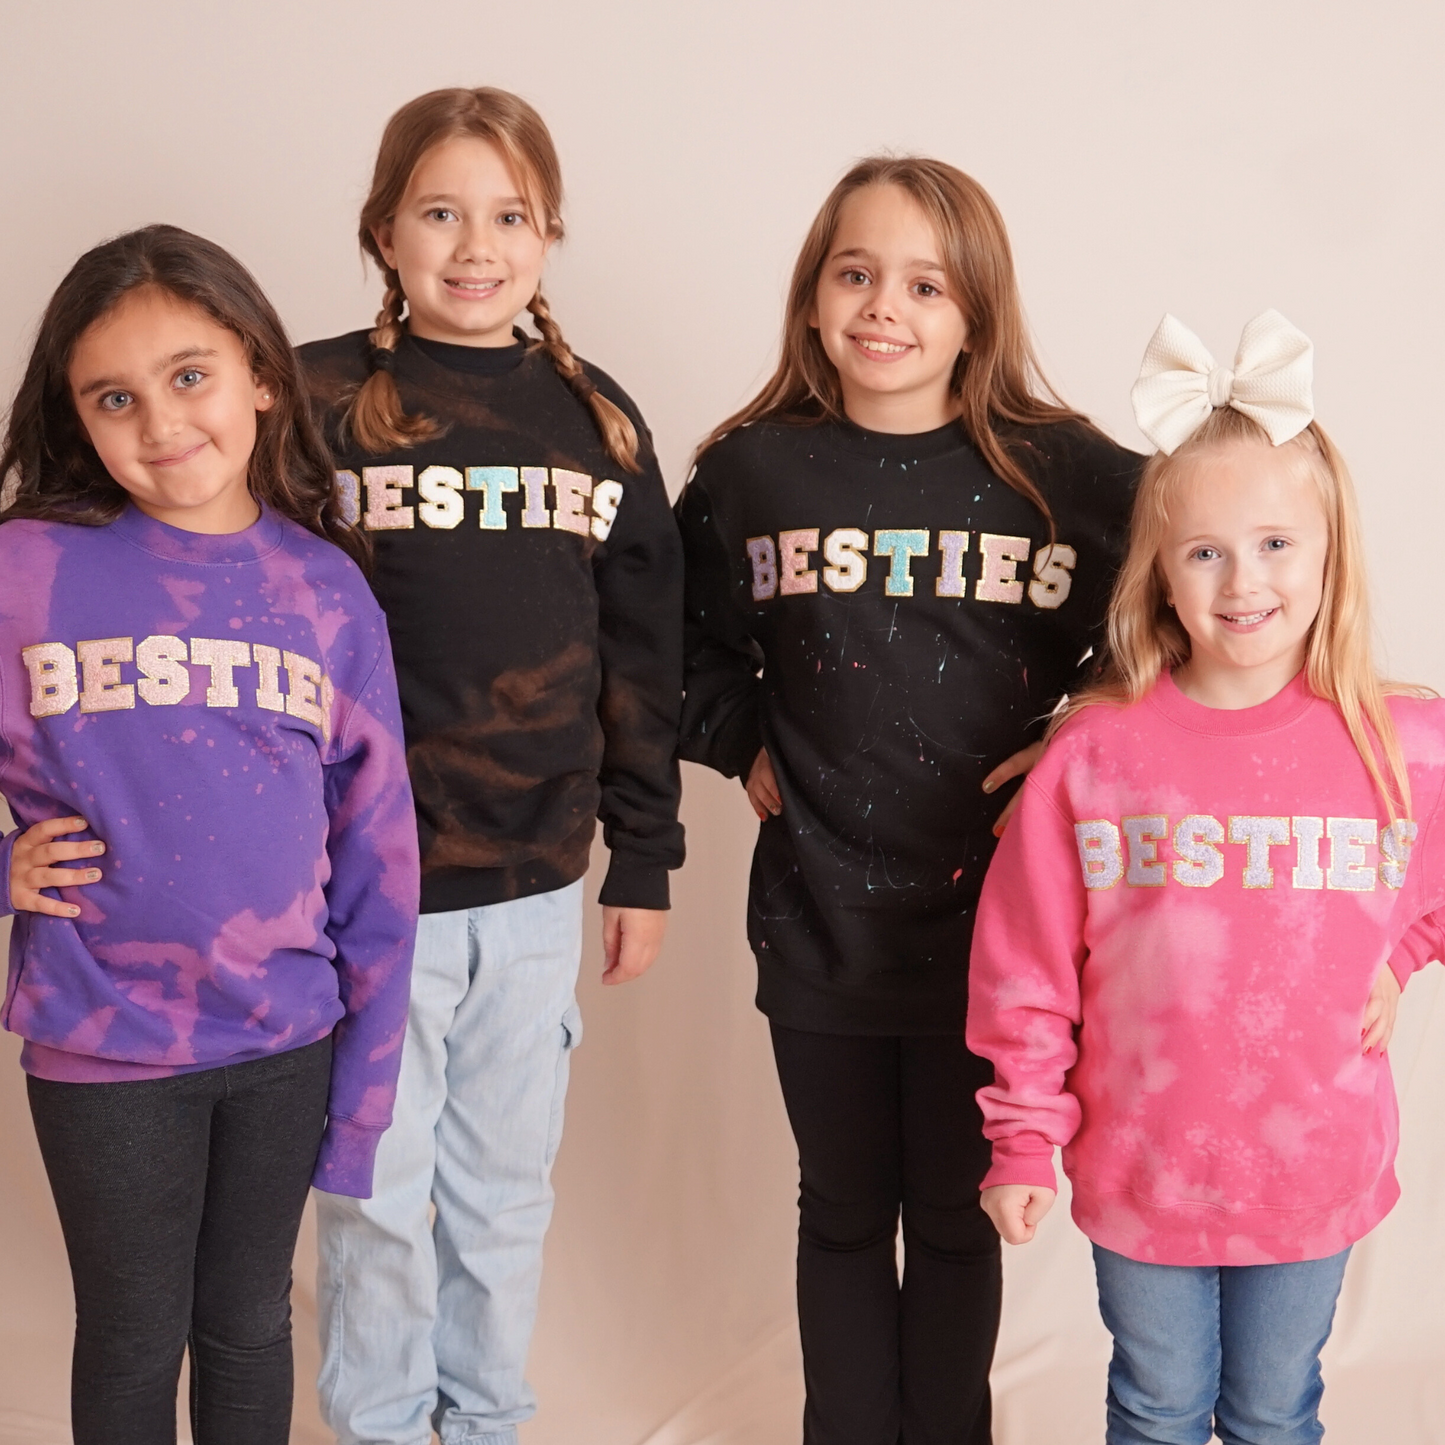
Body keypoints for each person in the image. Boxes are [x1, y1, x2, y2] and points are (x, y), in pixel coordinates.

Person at [676, 155, 1141, 1444]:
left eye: (924, 283)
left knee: (950, 1211)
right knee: (837, 1208)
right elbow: (662, 632)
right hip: (819, 912)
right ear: (815, 295)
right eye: (856, 271)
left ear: (975, 310)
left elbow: (1187, 605)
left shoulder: (1067, 474)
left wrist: (1079, 733)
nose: (885, 305)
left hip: (998, 938)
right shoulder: (754, 470)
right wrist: (735, 738)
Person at [968, 311, 1445, 1444]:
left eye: (1277, 543)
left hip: (1311, 1167)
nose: (1243, 581)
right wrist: (1020, 1135)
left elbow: (1424, 895)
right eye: (1205, 550)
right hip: (1142, 1170)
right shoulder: (1092, 756)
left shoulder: (1403, 743)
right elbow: (1025, 967)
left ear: (1329, 556)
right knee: (1154, 1404)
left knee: (1276, 1409)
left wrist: (1399, 951)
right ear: (1160, 572)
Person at [297, 86, 685, 1444]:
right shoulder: (316, 400)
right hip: (360, 889)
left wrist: (645, 858)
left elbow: (646, 657)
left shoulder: (597, 421)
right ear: (384, 229)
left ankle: (488, 1423)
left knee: (502, 1195)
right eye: (441, 211)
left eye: (509, 214)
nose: (476, 244)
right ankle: (385, 1425)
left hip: (531, 895)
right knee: (376, 1196)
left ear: (548, 231)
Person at [0, 224, 418, 1444]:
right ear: (78, 418)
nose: (160, 422)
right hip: (103, 1041)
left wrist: (364, 1102)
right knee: (132, 1334)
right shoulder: (27, 570)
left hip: (287, 1036)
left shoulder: (323, 589)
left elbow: (381, 855)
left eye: (189, 376)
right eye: (113, 397)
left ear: (259, 377)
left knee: (247, 1320)